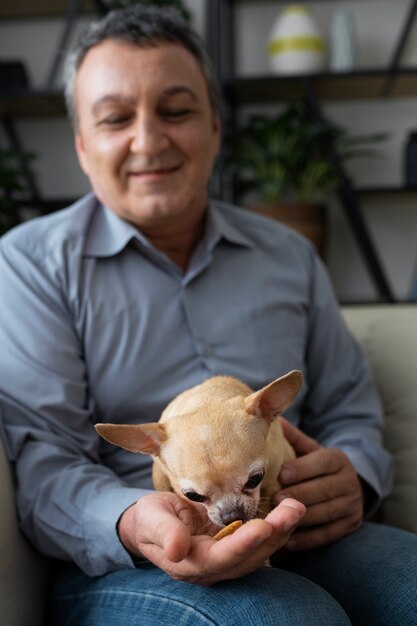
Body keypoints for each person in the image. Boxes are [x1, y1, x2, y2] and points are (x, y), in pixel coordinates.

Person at [0, 5, 415, 625]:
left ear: (216, 127)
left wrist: (354, 474)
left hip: (297, 521)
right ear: (83, 147)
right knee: (287, 617)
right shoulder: (31, 263)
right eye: (116, 118)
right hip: (133, 561)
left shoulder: (288, 254)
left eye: (176, 110)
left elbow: (348, 407)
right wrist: (133, 520)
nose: (149, 139)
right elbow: (44, 457)